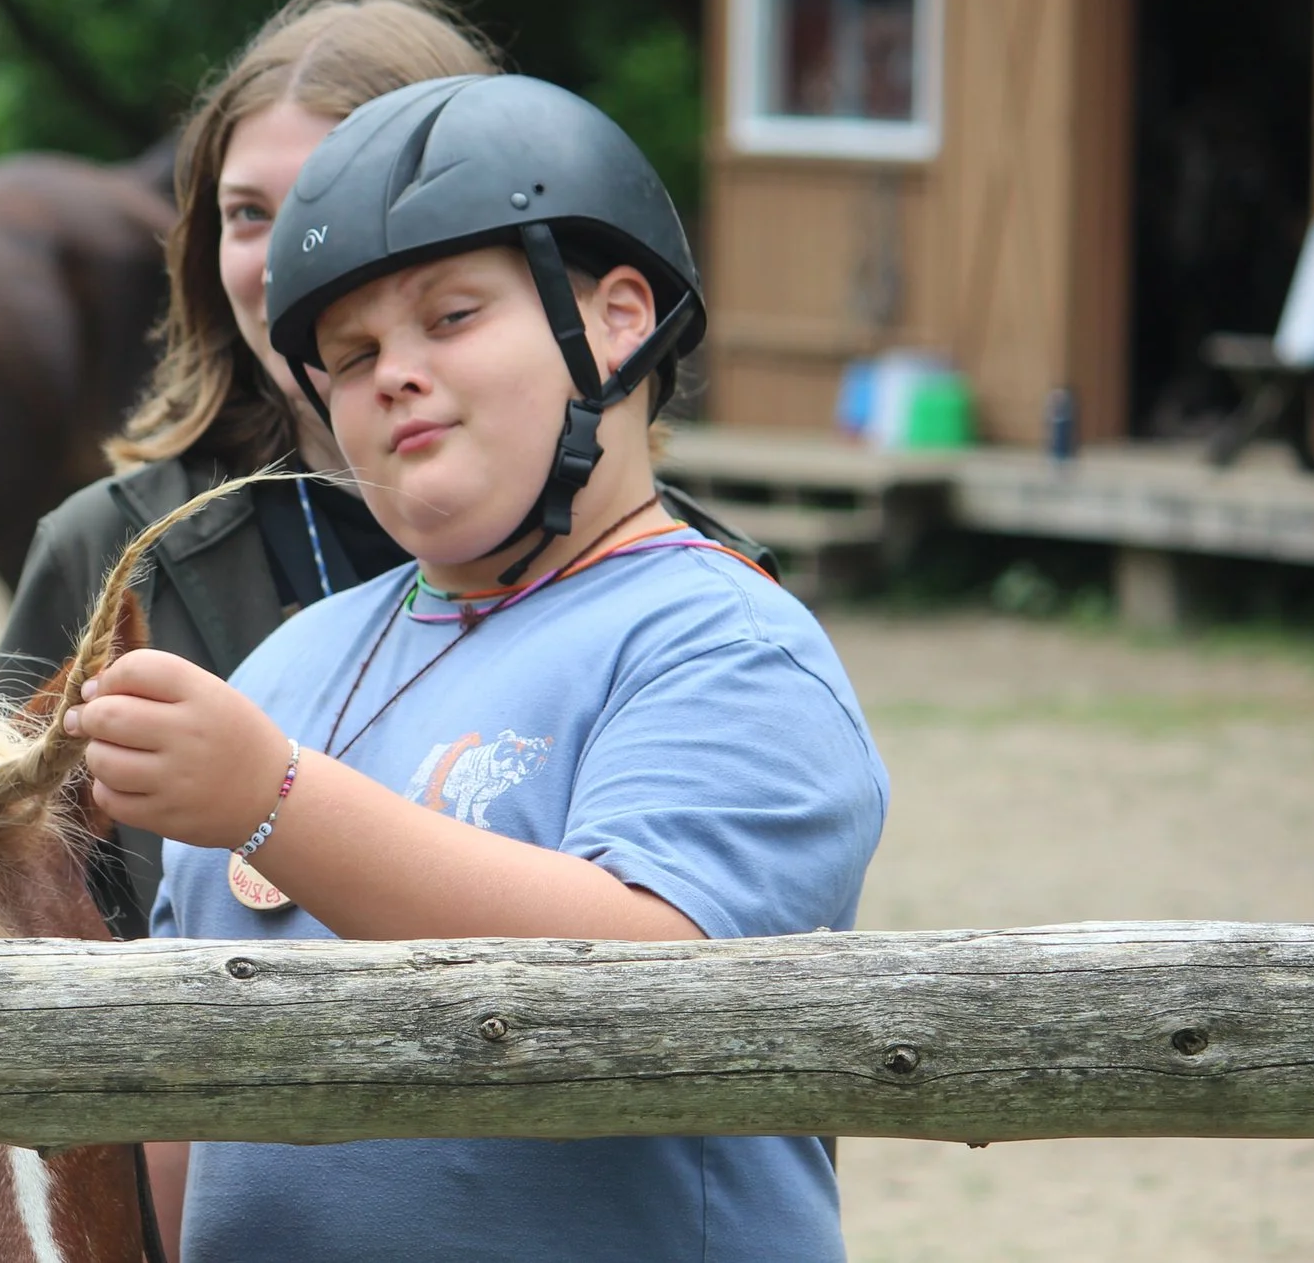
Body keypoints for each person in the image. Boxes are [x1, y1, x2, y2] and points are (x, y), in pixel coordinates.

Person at [68, 75, 889, 1262]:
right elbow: (177, 1107)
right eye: (349, 355)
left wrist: (271, 800)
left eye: (449, 317)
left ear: (616, 317)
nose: (392, 370)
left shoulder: (723, 641)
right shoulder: (285, 665)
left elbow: (655, 987)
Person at [0, 0, 500, 936]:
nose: (279, 264)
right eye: (249, 215)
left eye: (329, 204)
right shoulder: (109, 551)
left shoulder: (668, 569)